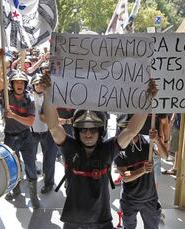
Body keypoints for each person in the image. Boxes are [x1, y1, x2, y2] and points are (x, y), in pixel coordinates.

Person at [42, 76, 157, 228]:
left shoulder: (107, 150)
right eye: (83, 129)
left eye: (93, 129)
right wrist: (48, 94)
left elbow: (130, 131)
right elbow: (54, 126)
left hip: (102, 221)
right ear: (77, 131)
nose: (88, 134)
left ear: (100, 131)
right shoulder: (69, 148)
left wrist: (147, 100)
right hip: (73, 222)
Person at [0, 50, 40, 208]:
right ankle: (15, 189)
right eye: (16, 82)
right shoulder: (7, 95)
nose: (19, 84)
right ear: (12, 84)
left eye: (22, 82)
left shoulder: (30, 100)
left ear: (25, 84)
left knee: (30, 165)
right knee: (13, 165)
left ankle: (34, 195)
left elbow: (30, 122)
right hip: (9, 136)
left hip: (26, 137)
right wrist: (0, 60)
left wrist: (13, 116)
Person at [114, 114, 167, 229]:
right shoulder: (119, 149)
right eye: (125, 128)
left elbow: (165, 155)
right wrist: (143, 170)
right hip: (130, 200)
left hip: (150, 199)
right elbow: (125, 176)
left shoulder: (148, 142)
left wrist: (157, 139)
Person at [30, 73, 58, 194]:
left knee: (49, 160)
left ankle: (49, 183)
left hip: (49, 132)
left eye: (42, 84)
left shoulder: (52, 97)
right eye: (37, 84)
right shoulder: (28, 97)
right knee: (30, 158)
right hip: (32, 132)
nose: (40, 86)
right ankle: (32, 180)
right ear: (32, 85)